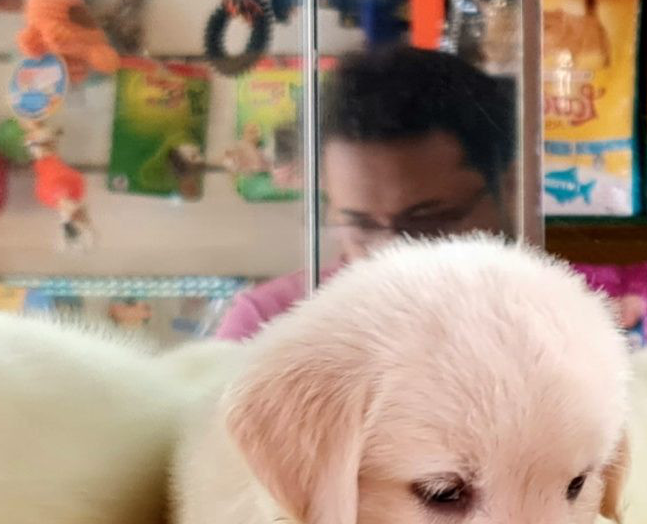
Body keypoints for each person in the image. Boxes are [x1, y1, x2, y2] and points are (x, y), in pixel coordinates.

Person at [212, 45, 517, 341]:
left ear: (510, 188)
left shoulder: (559, 306)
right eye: (361, 225)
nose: (391, 256)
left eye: (427, 222)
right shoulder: (269, 328)